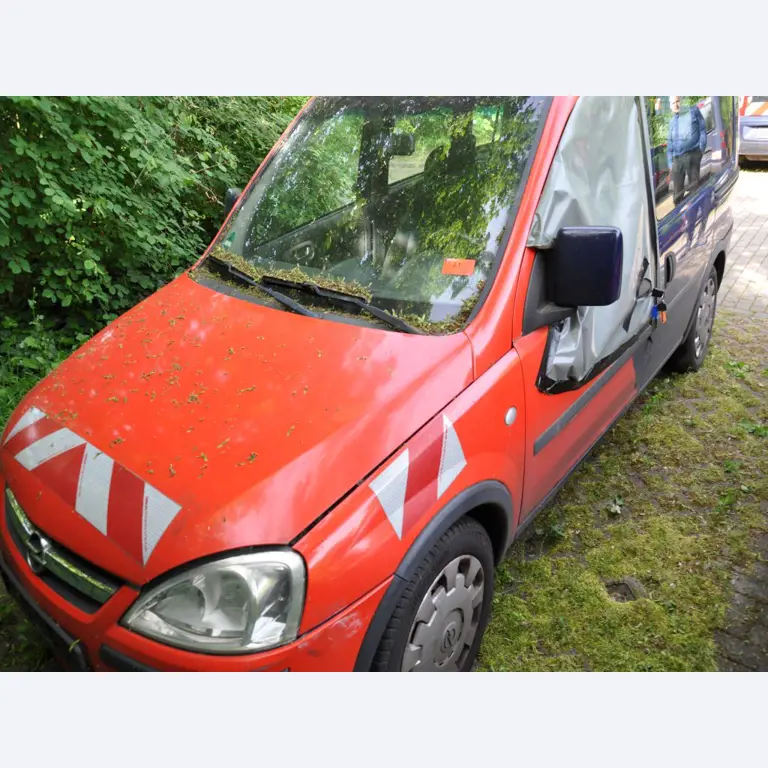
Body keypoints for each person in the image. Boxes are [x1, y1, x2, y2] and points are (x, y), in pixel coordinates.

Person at [667, 97, 707, 206]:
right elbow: (670, 143)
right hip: (677, 159)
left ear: (682, 101)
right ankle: (679, 219)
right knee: (677, 194)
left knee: (694, 189)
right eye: (673, 103)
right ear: (670, 106)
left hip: (693, 154)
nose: (676, 105)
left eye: (677, 101)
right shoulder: (672, 122)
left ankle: (693, 216)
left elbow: (702, 129)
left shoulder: (693, 111)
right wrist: (670, 162)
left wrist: (701, 149)